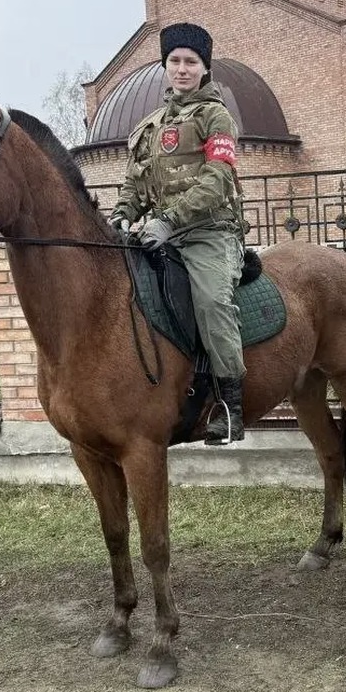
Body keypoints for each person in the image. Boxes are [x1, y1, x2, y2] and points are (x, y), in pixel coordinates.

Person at [108, 22, 248, 444]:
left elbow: (218, 177)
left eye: (191, 62)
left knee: (211, 302)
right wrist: (120, 215)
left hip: (209, 233)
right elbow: (135, 183)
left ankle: (229, 405)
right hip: (156, 233)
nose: (182, 69)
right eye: (175, 61)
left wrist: (170, 220)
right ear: (165, 66)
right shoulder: (149, 126)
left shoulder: (215, 115)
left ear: (204, 68)